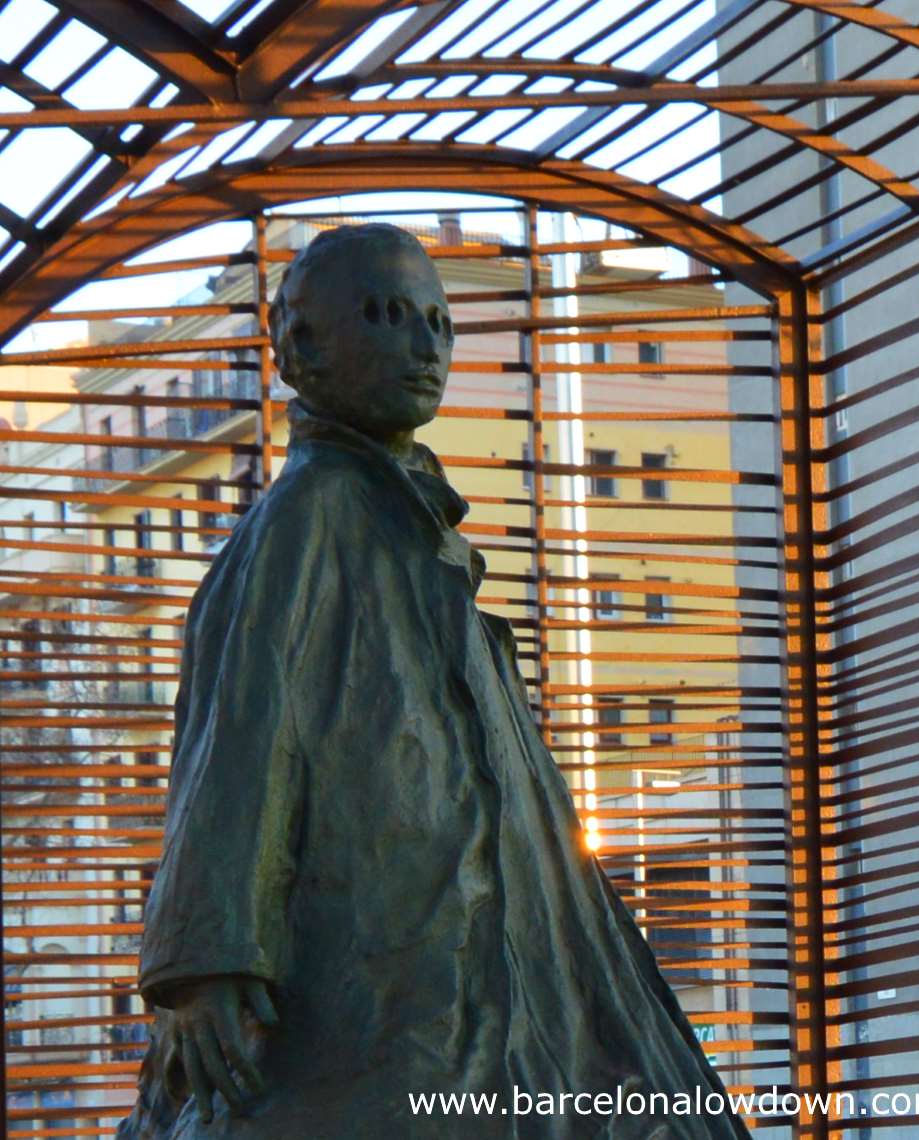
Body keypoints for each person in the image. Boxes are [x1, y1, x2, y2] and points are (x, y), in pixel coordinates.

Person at [118, 223, 752, 1139]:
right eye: (384, 317)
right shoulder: (311, 514)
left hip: (473, 939)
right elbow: (237, 737)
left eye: (437, 322)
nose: (422, 348)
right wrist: (204, 962)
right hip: (384, 963)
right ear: (298, 348)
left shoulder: (413, 525)